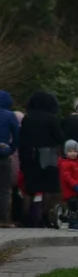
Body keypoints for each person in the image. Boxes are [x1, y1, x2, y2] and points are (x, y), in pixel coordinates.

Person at [18, 91, 66, 229]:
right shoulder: (52, 118)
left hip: (29, 155)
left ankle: (27, 218)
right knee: (48, 189)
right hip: (47, 156)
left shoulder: (27, 119)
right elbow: (60, 137)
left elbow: (22, 139)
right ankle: (44, 218)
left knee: (29, 189)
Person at [0, 90, 20, 228]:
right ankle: (3, 220)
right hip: (3, 154)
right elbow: (17, 135)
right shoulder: (10, 115)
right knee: (5, 189)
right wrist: (11, 149)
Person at [59, 140, 78, 232]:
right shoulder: (65, 164)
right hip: (70, 191)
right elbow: (67, 177)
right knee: (74, 207)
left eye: (75, 151)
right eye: (70, 151)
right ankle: (73, 224)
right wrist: (75, 185)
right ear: (66, 152)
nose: (73, 153)